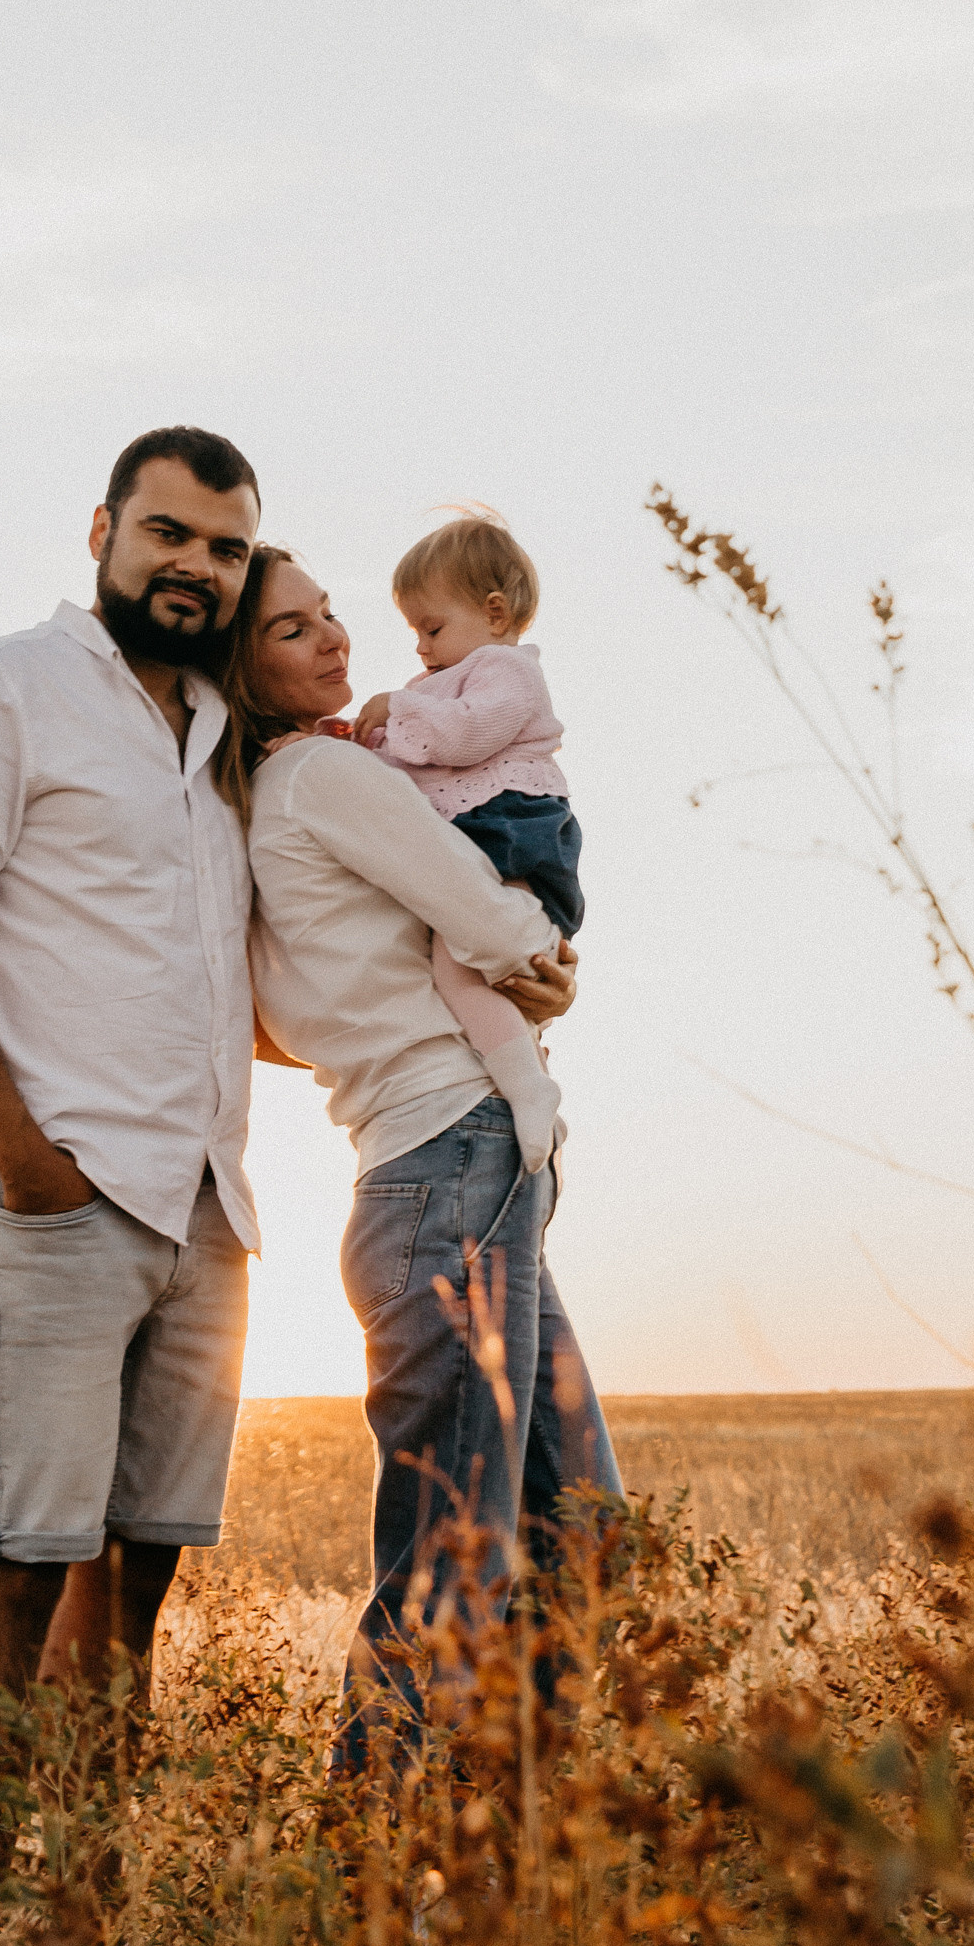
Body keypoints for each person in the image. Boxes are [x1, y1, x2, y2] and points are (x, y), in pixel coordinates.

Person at [0, 426, 263, 1789]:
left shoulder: (221, 739)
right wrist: (27, 1168)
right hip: (58, 1204)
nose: (195, 568)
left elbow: (221, 979)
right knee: (21, 1570)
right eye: (168, 533)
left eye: (224, 549)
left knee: (131, 1597)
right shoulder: (2, 689)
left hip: (205, 1213)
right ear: (100, 531)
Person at [218, 546, 622, 1770]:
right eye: (293, 630)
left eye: (331, 614)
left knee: (580, 1536)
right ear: (241, 667)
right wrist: (538, 956)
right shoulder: (326, 773)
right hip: (445, 1164)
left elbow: (280, 1015)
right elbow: (489, 909)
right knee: (457, 1570)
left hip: (456, 1173)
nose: (335, 638)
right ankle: (378, 1866)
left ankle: (514, 1843)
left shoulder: (267, 803)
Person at [354, 510, 581, 1175]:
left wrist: (396, 707)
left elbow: (463, 736)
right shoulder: (443, 683)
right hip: (481, 825)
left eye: (431, 627)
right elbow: (411, 768)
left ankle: (527, 1085)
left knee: (468, 956)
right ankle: (524, 1071)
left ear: (493, 612)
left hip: (512, 824)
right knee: (473, 958)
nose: (421, 647)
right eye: (413, 632)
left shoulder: (504, 671)